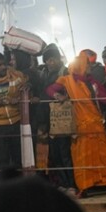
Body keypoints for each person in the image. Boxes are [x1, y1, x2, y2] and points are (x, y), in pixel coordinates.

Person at [46, 52, 106, 197]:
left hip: (97, 127)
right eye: (87, 64)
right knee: (82, 157)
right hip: (80, 127)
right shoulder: (66, 80)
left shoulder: (93, 83)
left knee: (103, 155)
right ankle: (85, 186)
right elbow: (50, 89)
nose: (90, 67)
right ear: (81, 66)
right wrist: (58, 96)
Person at [34, 45, 76, 192]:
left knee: (65, 152)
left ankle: (71, 184)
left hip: (62, 118)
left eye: (53, 59)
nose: (50, 62)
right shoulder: (43, 74)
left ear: (59, 59)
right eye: (48, 60)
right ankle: (62, 183)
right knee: (54, 154)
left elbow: (72, 92)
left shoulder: (65, 72)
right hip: (48, 119)